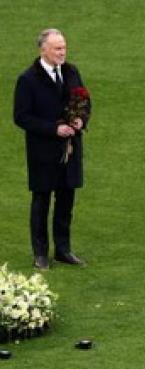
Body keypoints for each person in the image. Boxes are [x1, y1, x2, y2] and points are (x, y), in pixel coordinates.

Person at [13, 28, 89, 270]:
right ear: (43, 50)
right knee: (42, 201)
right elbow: (21, 117)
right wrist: (52, 130)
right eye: (57, 48)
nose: (62, 52)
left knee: (66, 200)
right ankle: (41, 254)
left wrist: (81, 121)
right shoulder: (28, 80)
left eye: (64, 47)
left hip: (70, 150)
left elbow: (85, 102)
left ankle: (63, 250)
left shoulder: (71, 71)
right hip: (43, 153)